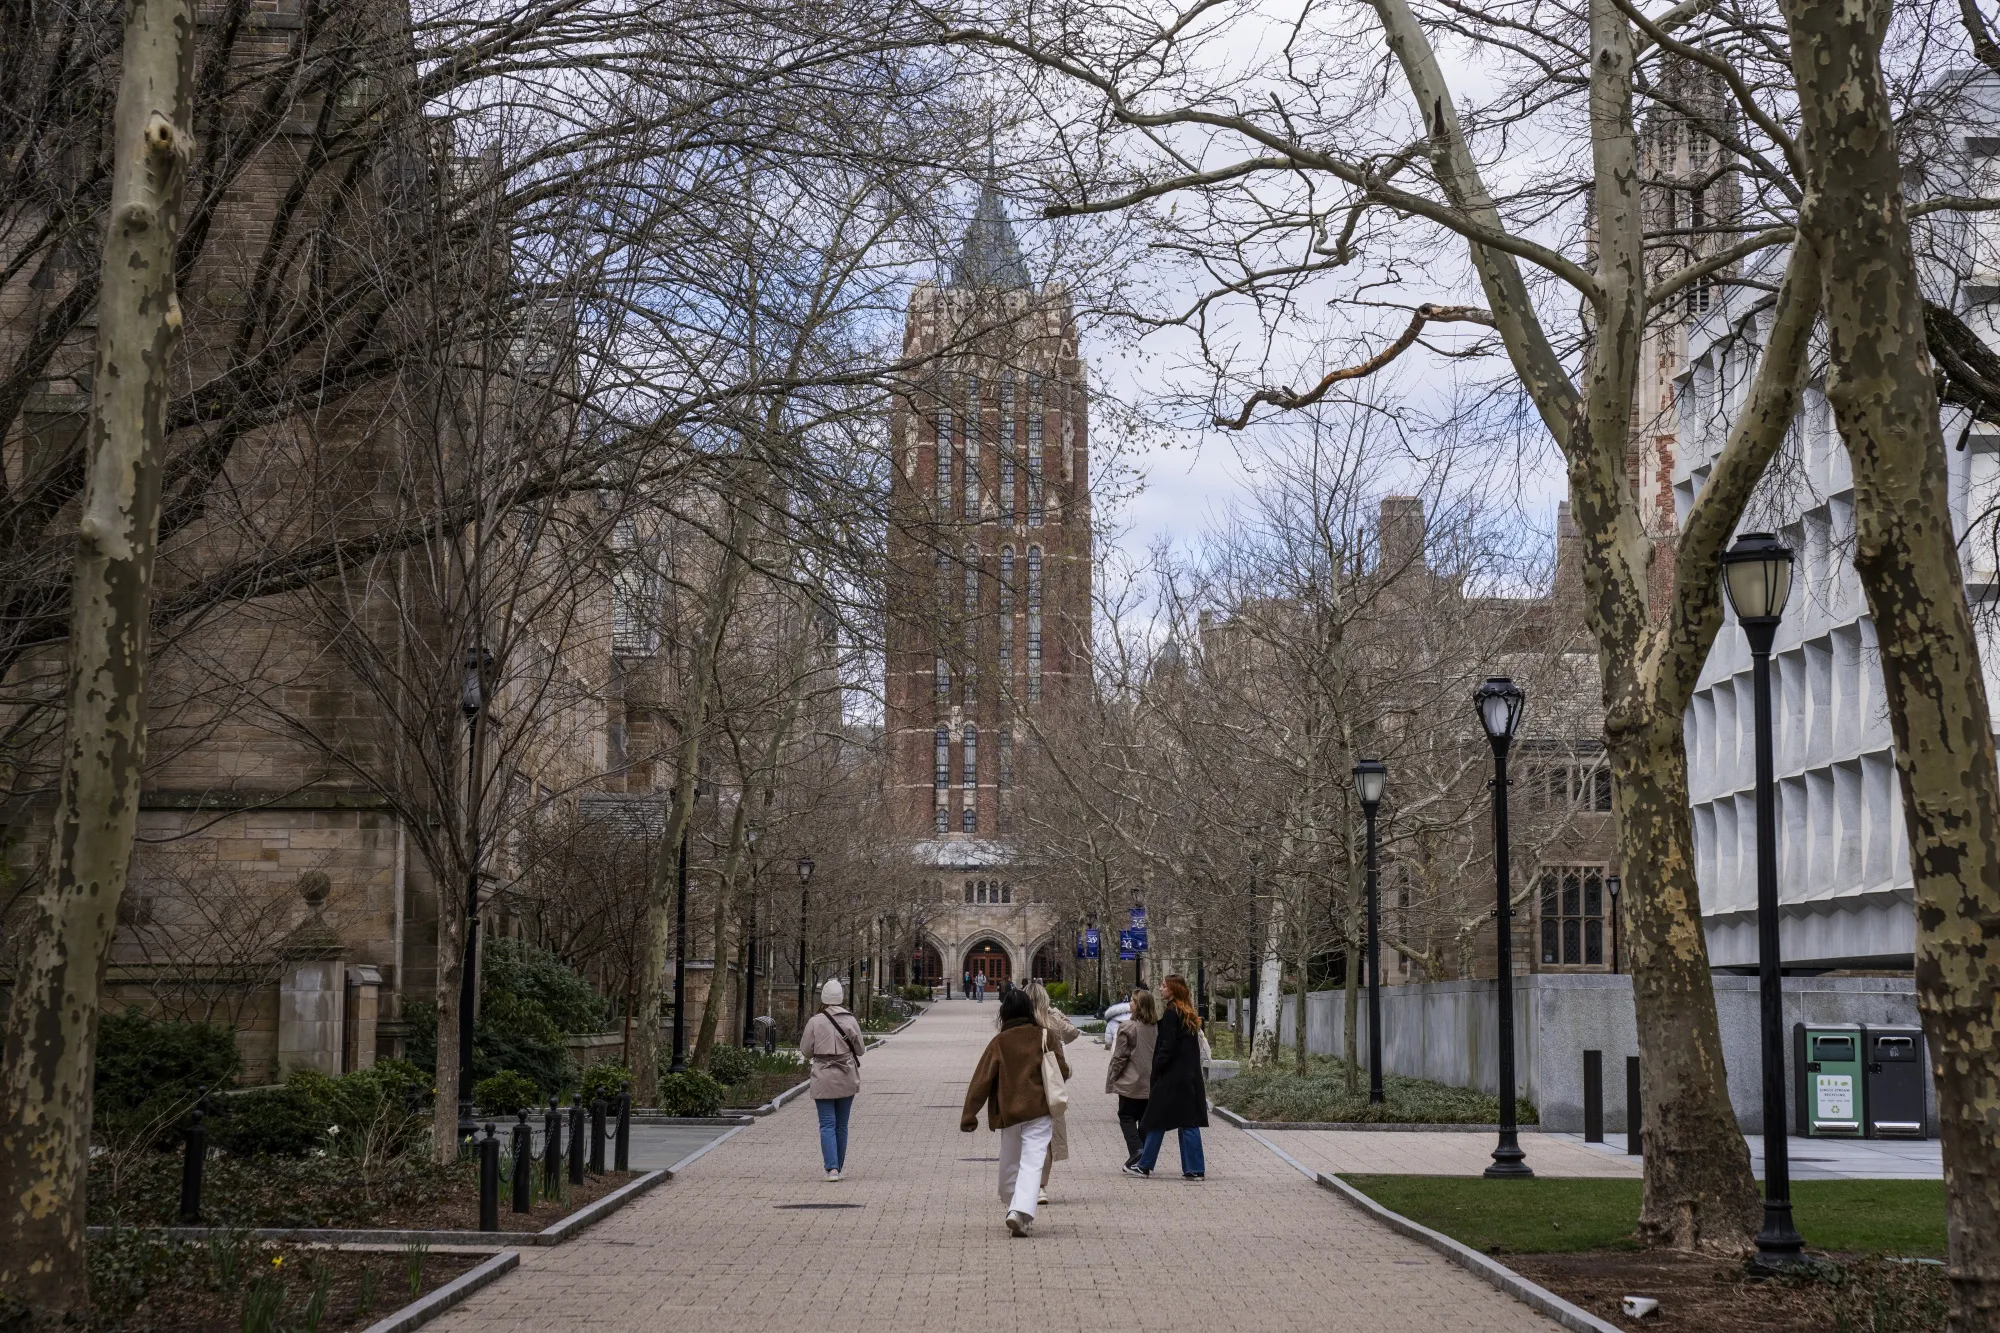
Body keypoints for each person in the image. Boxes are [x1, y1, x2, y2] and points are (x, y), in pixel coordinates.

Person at [961, 987, 1072, 1236]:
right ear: (1030, 1010)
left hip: (1009, 1111)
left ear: (1004, 1013)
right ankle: (1019, 1210)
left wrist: (970, 1114)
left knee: (1009, 1162)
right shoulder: (1045, 1036)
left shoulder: (1000, 1042)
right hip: (1040, 1110)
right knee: (1033, 1161)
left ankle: (1015, 1207)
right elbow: (1062, 1071)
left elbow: (981, 1080)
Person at [1125, 974, 1207, 1181]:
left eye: (1164, 986)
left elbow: (1167, 1046)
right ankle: (1194, 1168)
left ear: (1173, 990)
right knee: (1188, 1121)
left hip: (1171, 1075)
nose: (1160, 989)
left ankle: (1144, 1165)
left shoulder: (1172, 1013)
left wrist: (1157, 1068)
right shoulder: (1187, 1012)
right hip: (1189, 1075)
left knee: (1155, 1119)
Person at [798, 978, 866, 1181]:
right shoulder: (850, 1020)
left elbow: (806, 1050)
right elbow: (861, 1050)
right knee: (842, 1124)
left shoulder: (815, 1021)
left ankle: (832, 1168)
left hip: (823, 1074)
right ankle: (839, 1166)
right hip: (846, 1073)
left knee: (827, 1123)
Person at [1026, 981, 1081, 1205]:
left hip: (1024, 1084)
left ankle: (1023, 1183)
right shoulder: (1053, 1021)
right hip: (1050, 1084)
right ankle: (1040, 1188)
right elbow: (1073, 1033)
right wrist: (1055, 1012)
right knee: (1045, 1138)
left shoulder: (1017, 1024)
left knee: (1025, 1136)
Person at [1105, 987, 1159, 1167]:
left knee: (1126, 1115)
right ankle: (1142, 1155)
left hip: (1130, 1080)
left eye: (1133, 1001)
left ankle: (1136, 1149)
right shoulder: (1156, 1027)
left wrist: (1114, 1075)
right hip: (1150, 1080)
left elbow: (1120, 1056)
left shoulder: (1127, 1027)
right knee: (1144, 1119)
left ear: (1140, 1005)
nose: (1130, 1003)